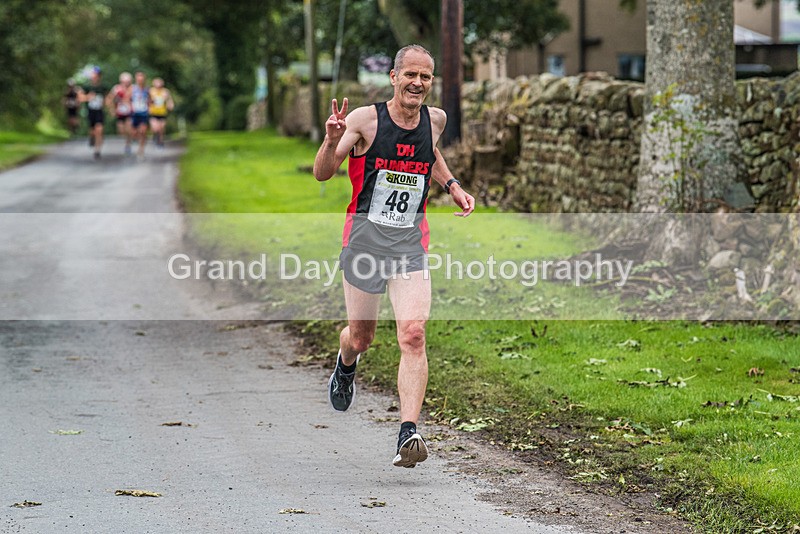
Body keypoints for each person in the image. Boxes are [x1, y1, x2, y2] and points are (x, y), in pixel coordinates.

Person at [312, 44, 475, 468]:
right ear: (394, 77)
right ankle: (346, 363)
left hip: (409, 245)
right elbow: (323, 172)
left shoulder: (434, 120)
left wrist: (453, 185)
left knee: (414, 333)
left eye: (425, 77)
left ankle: (408, 431)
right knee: (361, 337)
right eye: (410, 75)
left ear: (431, 82)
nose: (417, 83)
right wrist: (331, 142)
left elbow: (430, 153)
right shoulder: (365, 120)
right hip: (364, 243)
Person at [77, 67, 107, 160]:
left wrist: (107, 104)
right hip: (90, 111)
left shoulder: (103, 87)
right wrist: (88, 97)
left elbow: (108, 99)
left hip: (99, 111)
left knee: (99, 130)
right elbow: (80, 98)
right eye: (93, 74)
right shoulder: (86, 87)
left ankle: (97, 150)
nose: (94, 76)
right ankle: (92, 138)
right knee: (92, 131)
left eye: (96, 75)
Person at [106, 72, 133, 155]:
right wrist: (111, 109)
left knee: (129, 128)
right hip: (120, 112)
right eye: (124, 81)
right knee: (121, 130)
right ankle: (126, 140)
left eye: (128, 81)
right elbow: (109, 99)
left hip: (130, 112)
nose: (126, 83)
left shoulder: (133, 89)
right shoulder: (116, 89)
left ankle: (128, 144)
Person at [128, 71, 150, 160]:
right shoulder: (132, 89)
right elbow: (127, 98)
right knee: (134, 132)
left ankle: (141, 151)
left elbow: (150, 100)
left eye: (142, 79)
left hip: (144, 113)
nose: (140, 80)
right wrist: (130, 106)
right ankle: (136, 140)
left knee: (143, 131)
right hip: (134, 113)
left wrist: (149, 106)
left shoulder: (147, 89)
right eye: (138, 79)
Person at [148, 77, 174, 147]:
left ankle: (161, 142)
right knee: (155, 128)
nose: (158, 84)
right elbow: (147, 101)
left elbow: (169, 100)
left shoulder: (165, 91)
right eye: (156, 83)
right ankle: (155, 136)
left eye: (159, 83)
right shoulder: (151, 91)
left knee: (161, 128)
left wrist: (170, 105)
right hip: (153, 112)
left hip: (162, 113)